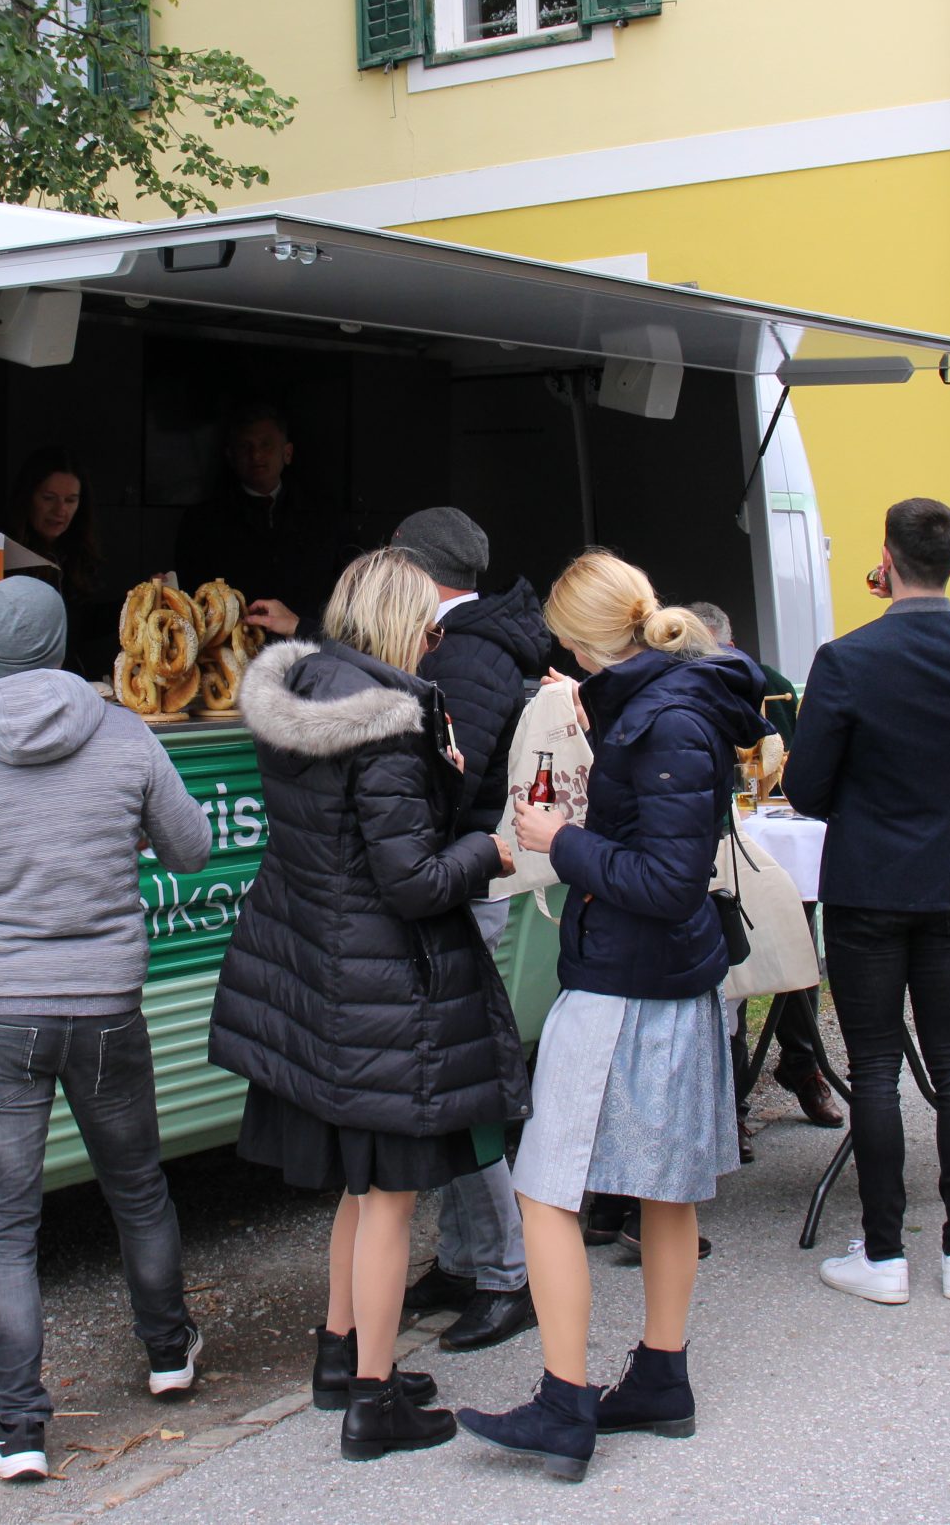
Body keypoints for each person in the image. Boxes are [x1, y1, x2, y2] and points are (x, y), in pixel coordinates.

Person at [0, 577, 215, 1482]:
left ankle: (20, 1427)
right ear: (66, 639)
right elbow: (191, 848)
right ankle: (168, 1353)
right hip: (106, 1005)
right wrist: (119, 833)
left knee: (5, 1227)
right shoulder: (125, 735)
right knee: (138, 1189)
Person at [206, 548, 526, 1461]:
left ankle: (341, 1354)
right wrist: (490, 852)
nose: (434, 638)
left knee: (360, 1187)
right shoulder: (385, 722)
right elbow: (413, 880)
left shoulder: (301, 692)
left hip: (321, 977)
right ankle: (375, 1402)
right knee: (391, 1198)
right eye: (426, 623)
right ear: (397, 622)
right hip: (384, 992)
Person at [456, 551, 763, 1483]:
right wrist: (596, 708)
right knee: (665, 1187)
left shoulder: (666, 720)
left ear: (583, 640)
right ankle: (662, 1379)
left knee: (546, 1189)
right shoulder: (673, 696)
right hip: (667, 976)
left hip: (627, 979)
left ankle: (564, 1401)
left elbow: (667, 882)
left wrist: (562, 840)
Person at [785, 498, 950, 1307]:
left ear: (885, 558)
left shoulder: (846, 658)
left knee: (874, 1068)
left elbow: (806, 787)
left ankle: (885, 1252)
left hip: (868, 876)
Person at [387, 507, 551, 1353]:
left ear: (418, 570)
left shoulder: (466, 653)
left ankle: (507, 1274)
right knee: (443, 1081)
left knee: (452, 1084)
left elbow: (452, 781)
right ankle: (463, 1257)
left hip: (456, 881)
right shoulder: (476, 640)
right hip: (461, 876)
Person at [684, 599, 842, 1135]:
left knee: (795, 930)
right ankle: (732, 1094)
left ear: (730, 645)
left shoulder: (768, 683)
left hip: (771, 820)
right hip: (717, 834)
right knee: (728, 949)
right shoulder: (677, 689)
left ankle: (802, 1062)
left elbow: (792, 755)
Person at [172, 403, 345, 639]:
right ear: (231, 456)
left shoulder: (324, 517)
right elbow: (189, 600)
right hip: (231, 651)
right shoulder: (202, 522)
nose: (256, 455)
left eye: (266, 444)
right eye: (245, 447)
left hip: (309, 647)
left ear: (287, 453)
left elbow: (345, 590)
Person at [5, 445, 100, 600]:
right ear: (27, 497)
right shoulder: (2, 554)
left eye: (70, 500)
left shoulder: (80, 554)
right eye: (48, 498)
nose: (60, 510)